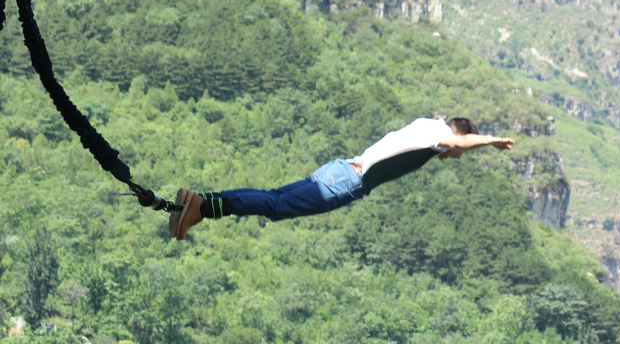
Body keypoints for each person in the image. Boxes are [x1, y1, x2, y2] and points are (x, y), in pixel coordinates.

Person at [169, 116, 514, 240]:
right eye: (460, 153)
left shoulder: (425, 125)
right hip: (347, 182)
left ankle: (199, 202)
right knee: (275, 207)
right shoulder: (439, 137)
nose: (455, 157)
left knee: (272, 197)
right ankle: (203, 206)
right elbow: (458, 141)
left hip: (342, 167)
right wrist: (490, 142)